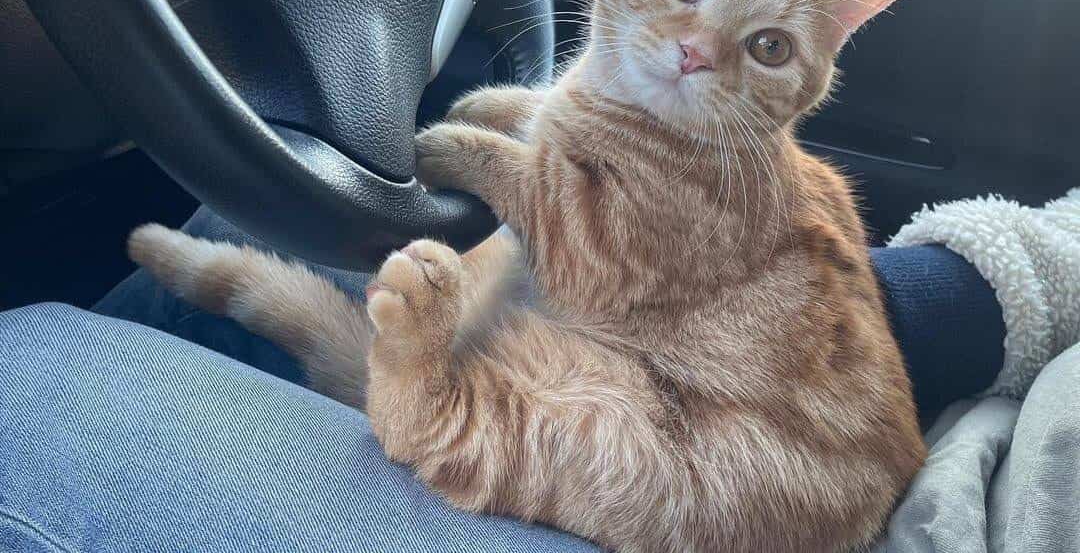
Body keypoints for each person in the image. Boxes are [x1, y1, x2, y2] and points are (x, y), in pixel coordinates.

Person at [1, 192, 1079, 551]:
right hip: (920, 413)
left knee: (25, 371)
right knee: (232, 216)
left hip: (852, 506)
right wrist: (898, 307)